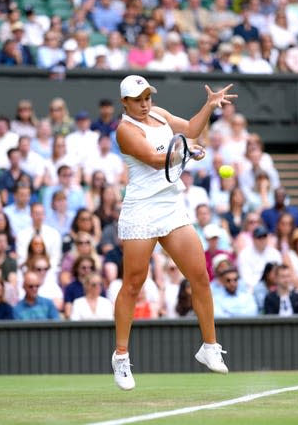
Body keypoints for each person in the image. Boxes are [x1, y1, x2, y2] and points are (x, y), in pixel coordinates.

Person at [111, 75, 235, 390]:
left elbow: (191, 130)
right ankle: (121, 357)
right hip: (141, 210)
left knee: (200, 276)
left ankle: (209, 347)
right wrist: (187, 150)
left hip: (170, 206)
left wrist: (209, 106)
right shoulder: (125, 131)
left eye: (147, 97)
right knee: (133, 285)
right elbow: (155, 160)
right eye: (138, 99)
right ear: (125, 102)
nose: (144, 103)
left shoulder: (159, 114)